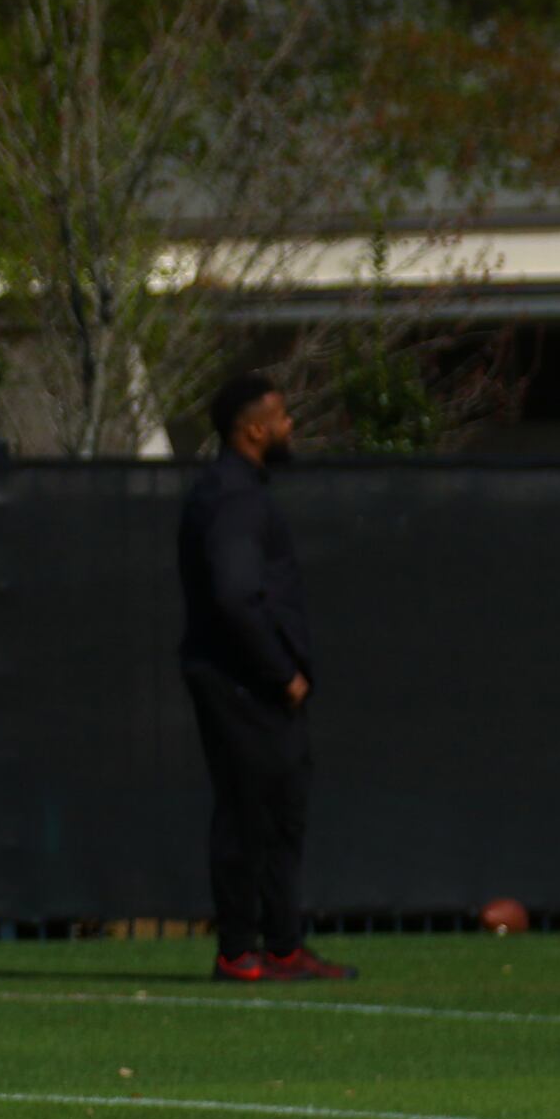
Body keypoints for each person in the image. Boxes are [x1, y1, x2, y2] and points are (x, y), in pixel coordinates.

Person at [177, 375, 353, 982]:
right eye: (280, 417)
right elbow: (234, 597)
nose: (289, 428)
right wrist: (281, 672)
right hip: (242, 682)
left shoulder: (241, 492)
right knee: (247, 813)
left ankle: (281, 944)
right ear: (252, 429)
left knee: (281, 812)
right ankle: (238, 949)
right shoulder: (233, 498)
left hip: (252, 680)